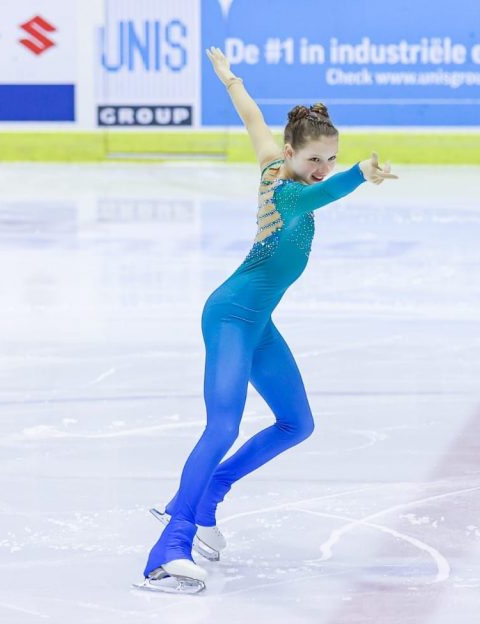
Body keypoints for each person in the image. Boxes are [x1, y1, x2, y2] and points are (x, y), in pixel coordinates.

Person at [137, 46, 398, 594]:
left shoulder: (271, 161)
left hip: (258, 324)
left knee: (296, 423)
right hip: (230, 315)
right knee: (223, 424)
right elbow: (326, 192)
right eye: (314, 160)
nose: (320, 169)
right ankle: (170, 545)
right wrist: (358, 174)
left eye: (331, 158)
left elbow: (252, 118)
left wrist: (231, 80)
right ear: (292, 155)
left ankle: (209, 496)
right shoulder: (289, 191)